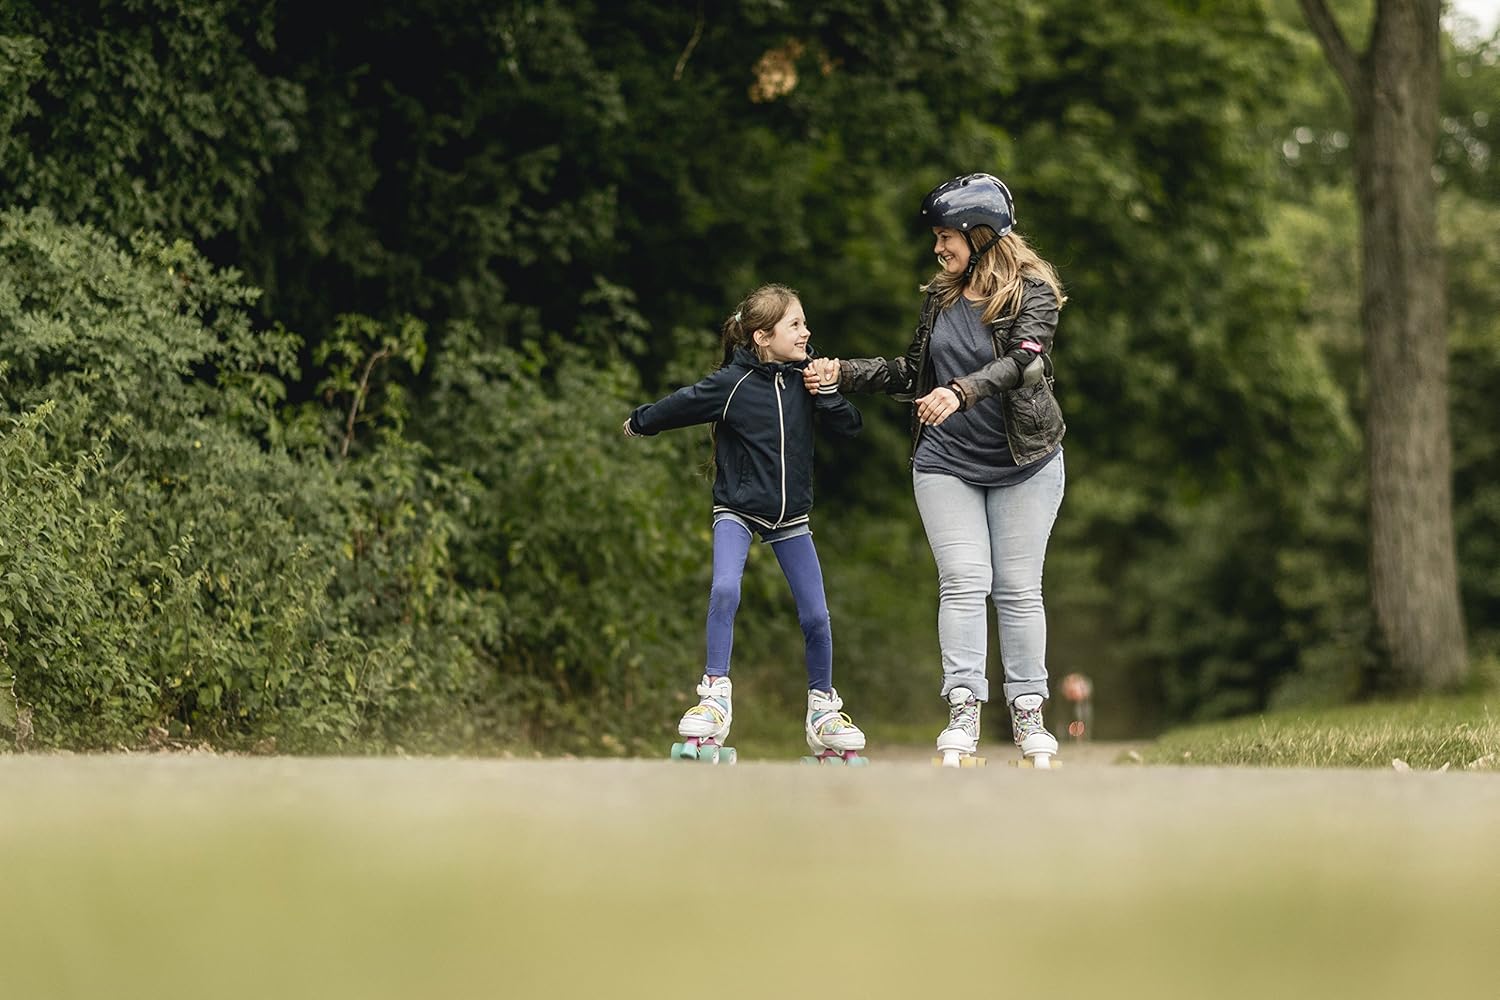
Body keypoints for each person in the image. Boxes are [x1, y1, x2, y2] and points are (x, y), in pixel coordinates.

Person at [803, 172, 1067, 767]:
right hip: (946, 460)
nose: (938, 248)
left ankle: (1029, 714)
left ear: (981, 234)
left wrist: (961, 391)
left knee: (1019, 589)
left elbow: (1026, 363)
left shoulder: (1035, 293)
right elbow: (912, 372)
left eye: (947, 236)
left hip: (1025, 460)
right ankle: (964, 710)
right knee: (964, 580)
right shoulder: (941, 296)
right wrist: (844, 371)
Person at [624, 283, 868, 763]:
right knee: (725, 590)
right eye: (795, 324)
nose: (806, 332)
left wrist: (830, 393)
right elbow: (681, 404)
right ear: (762, 336)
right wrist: (639, 421)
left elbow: (851, 426)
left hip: (790, 516)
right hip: (736, 508)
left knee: (817, 616)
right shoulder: (731, 384)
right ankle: (714, 696)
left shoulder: (807, 378)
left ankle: (822, 709)